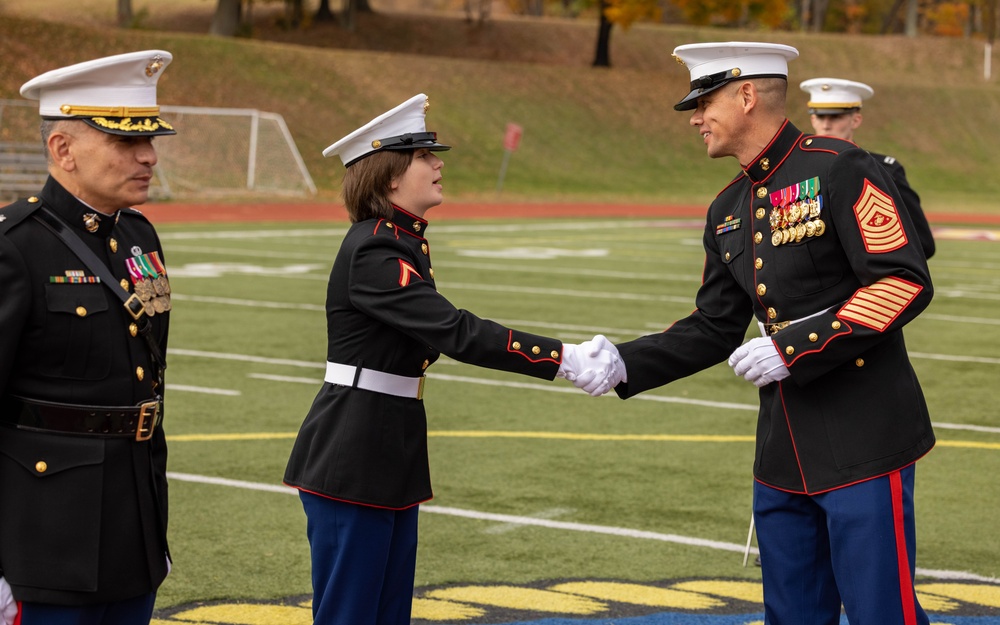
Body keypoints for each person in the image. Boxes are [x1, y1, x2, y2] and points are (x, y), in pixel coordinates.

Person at [603, 42, 935, 624]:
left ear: (747, 95)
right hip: (783, 450)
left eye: (703, 103)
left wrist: (794, 346)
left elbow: (902, 282)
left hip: (864, 438)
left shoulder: (839, 167)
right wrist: (621, 362)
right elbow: (712, 327)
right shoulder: (727, 207)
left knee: (882, 614)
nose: (695, 119)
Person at [282, 93, 621, 625]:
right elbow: (455, 331)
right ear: (390, 175)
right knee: (350, 614)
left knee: (387, 613)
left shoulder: (398, 241)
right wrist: (563, 357)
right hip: (354, 453)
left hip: (384, 446)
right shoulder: (375, 249)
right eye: (424, 155)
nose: (438, 163)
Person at [0, 51, 176, 625]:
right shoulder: (15, 248)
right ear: (63, 150)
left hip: (134, 533)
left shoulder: (139, 238)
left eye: (148, 139)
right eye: (125, 142)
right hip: (44, 544)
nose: (148, 155)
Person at [800, 77, 935, 258]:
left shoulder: (884, 170)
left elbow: (922, 242)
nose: (826, 125)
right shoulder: (798, 169)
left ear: (856, 120)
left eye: (835, 117)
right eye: (819, 116)